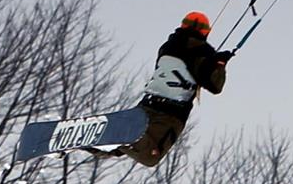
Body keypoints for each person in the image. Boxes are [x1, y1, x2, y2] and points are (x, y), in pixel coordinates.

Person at [88, 11, 234, 167]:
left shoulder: (167, 46)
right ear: (206, 32)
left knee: (120, 148)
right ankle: (116, 134)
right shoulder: (202, 52)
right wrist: (219, 64)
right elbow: (214, 85)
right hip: (170, 112)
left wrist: (212, 60)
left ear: (183, 24)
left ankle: (90, 141)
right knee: (150, 155)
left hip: (148, 103)